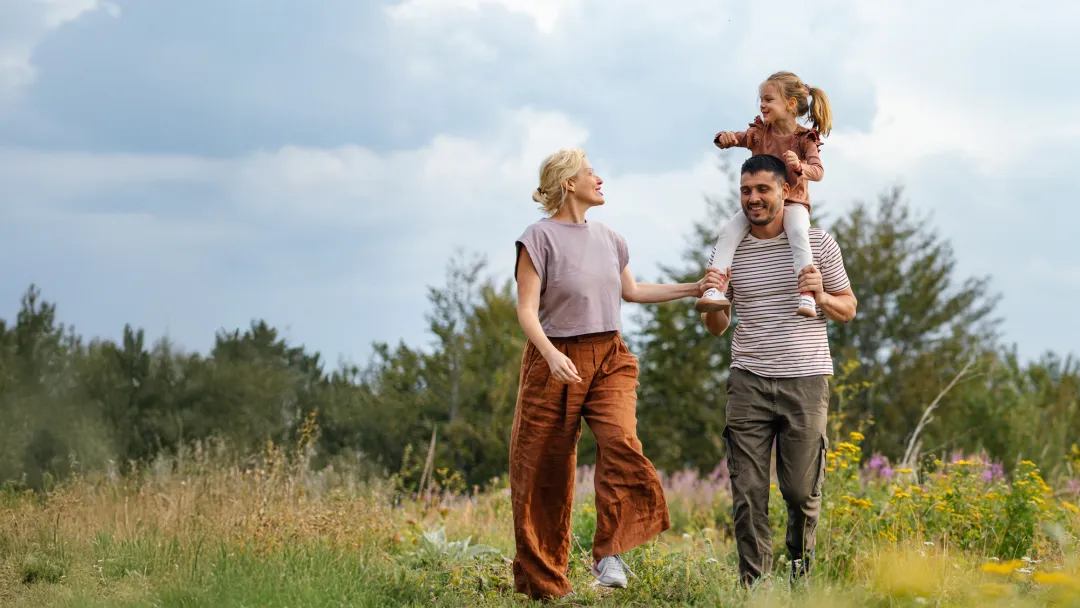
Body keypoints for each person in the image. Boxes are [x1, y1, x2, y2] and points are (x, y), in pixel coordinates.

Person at [511, 147, 725, 600]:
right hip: (554, 362)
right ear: (569, 182)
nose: (599, 179)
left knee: (621, 441)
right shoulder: (538, 238)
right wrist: (549, 354)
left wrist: (694, 287)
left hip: (609, 356)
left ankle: (610, 553)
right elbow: (526, 311)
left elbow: (633, 290)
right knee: (542, 472)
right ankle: (544, 585)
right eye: (591, 172)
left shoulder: (610, 237)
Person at [700, 154, 857, 587]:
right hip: (747, 378)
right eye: (746, 191)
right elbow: (716, 327)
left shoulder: (818, 244)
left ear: (785, 192)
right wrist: (716, 300)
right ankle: (756, 586)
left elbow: (848, 308)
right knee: (747, 492)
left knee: (800, 492)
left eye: (762, 190)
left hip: (805, 379)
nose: (753, 199)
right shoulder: (729, 249)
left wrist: (821, 297)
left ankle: (798, 573)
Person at [696, 71, 833, 318]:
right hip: (761, 207)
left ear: (791, 104)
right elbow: (737, 138)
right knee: (728, 230)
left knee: (798, 232)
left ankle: (807, 294)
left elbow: (819, 171)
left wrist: (800, 167)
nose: (762, 104)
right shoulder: (761, 132)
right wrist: (724, 139)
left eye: (769, 99)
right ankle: (714, 289)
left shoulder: (804, 139)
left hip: (794, 203)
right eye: (761, 99)